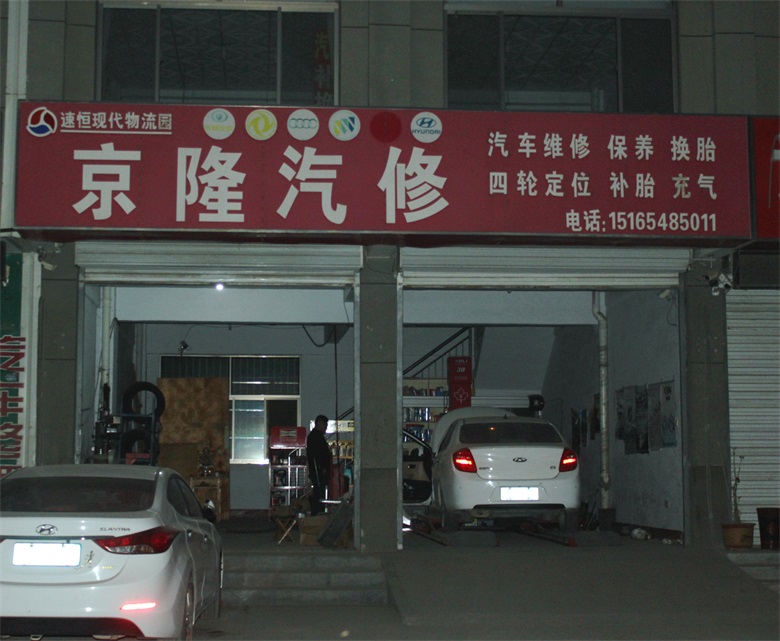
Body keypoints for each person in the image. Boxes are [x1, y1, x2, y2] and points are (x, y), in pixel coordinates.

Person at [306, 414, 331, 516]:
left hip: (317, 469)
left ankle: (317, 513)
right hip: (318, 470)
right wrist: (323, 466)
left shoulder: (315, 436)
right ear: (320, 423)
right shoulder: (316, 437)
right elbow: (319, 454)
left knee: (319, 492)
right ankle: (317, 514)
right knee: (319, 493)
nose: (326, 427)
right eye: (325, 425)